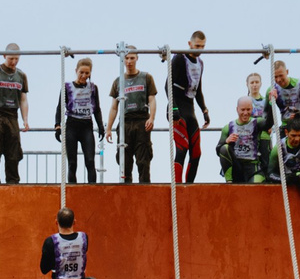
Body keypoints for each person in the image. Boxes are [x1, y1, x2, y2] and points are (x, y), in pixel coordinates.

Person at [110, 50, 159, 184]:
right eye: (126, 58)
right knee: (124, 159)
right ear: (123, 60)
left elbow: (152, 99)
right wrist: (108, 128)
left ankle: (145, 188)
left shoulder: (146, 77)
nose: (129, 61)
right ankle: (126, 189)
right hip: (125, 122)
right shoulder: (118, 81)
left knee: (143, 159)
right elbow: (114, 107)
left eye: (132, 58)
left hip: (142, 119)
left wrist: (152, 118)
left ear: (137, 58)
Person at [168, 32, 210, 185]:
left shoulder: (200, 63)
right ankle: (177, 186)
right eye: (197, 45)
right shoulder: (179, 58)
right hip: (177, 107)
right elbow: (168, 85)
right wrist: (173, 108)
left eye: (203, 46)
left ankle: (189, 186)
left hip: (190, 109)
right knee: (182, 148)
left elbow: (198, 90)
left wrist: (204, 110)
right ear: (190, 43)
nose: (199, 49)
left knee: (196, 153)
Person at [0, 44, 29, 185]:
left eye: (16, 59)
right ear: (4, 56)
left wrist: (25, 119)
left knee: (13, 152)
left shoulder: (21, 75)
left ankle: (13, 181)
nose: (13, 62)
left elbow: (23, 100)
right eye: (11, 58)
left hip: (12, 115)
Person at [57, 57, 104, 185]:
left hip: (86, 127)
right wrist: (57, 126)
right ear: (76, 71)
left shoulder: (93, 88)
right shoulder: (67, 87)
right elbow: (60, 107)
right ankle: (73, 189)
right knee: (72, 163)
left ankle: (92, 189)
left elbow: (97, 108)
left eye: (87, 73)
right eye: (81, 72)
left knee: (90, 161)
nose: (84, 76)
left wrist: (100, 125)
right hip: (72, 125)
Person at [217, 95, 270, 182]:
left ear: (252, 109)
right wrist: (227, 141)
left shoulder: (257, 122)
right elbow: (218, 150)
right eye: (242, 110)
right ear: (237, 109)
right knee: (224, 148)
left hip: (253, 167)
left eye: (248, 109)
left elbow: (268, 123)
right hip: (237, 167)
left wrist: (271, 103)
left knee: (253, 189)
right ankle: (229, 182)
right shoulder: (228, 127)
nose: (245, 113)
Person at [265, 57, 300, 137]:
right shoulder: (271, 90)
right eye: (275, 77)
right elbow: (265, 113)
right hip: (286, 126)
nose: (278, 79)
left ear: (287, 72)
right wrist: (270, 102)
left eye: (281, 75)